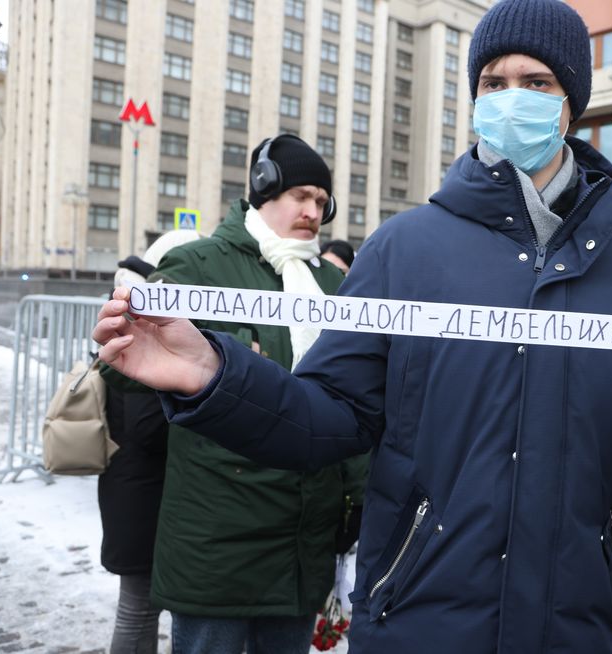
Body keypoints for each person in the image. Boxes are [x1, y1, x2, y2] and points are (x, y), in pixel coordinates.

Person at [93, 2, 612, 651]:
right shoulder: (402, 249)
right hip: (417, 621)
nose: (512, 98)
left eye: (537, 82)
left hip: (575, 628)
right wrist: (211, 373)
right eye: (493, 81)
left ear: (573, 101)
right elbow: (328, 419)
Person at [141, 135, 366, 653]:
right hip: (219, 539)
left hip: (304, 541)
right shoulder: (199, 265)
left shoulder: (333, 283)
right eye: (301, 196)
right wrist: (230, 359)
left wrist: (355, 495)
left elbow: (356, 398)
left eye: (321, 201)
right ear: (264, 189)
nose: (313, 211)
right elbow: (129, 372)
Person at [99, 229, 201, 654]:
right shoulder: (139, 322)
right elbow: (146, 426)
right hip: (144, 495)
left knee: (139, 608)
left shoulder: (132, 310)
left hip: (137, 489)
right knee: (138, 609)